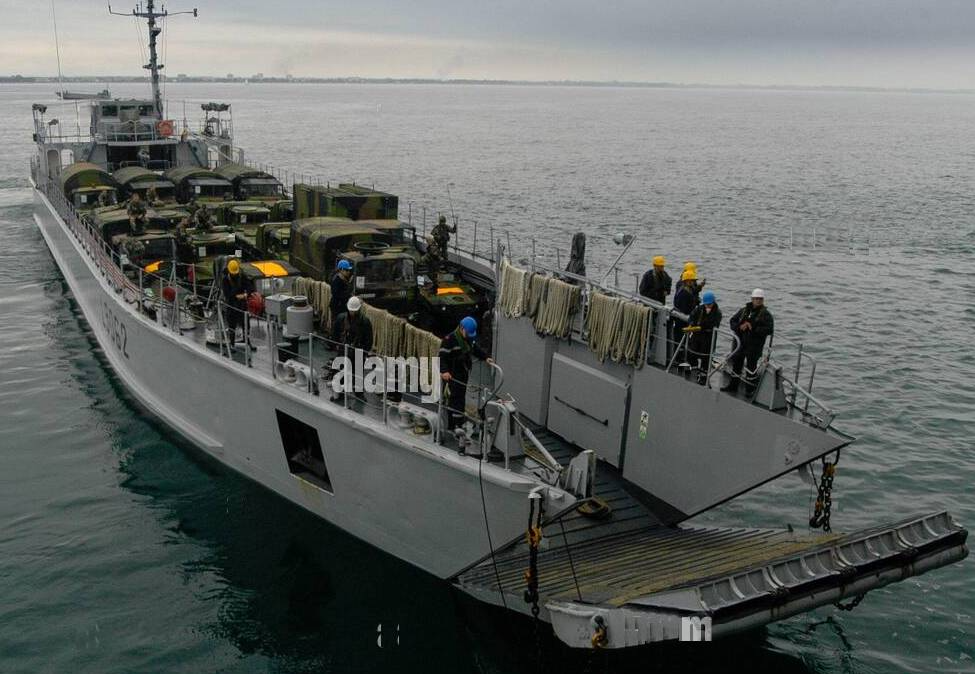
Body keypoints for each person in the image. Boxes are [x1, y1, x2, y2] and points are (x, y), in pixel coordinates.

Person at [439, 316, 493, 432]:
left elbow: (475, 349)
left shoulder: (468, 338)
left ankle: (458, 422)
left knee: (461, 397)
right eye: (468, 333)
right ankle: (454, 425)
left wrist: (485, 357)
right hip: (452, 375)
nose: (469, 335)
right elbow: (442, 358)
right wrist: (444, 371)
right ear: (461, 328)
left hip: (463, 372)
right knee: (454, 399)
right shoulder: (449, 340)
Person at [725, 288, 775, 395]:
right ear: (752, 299)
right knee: (736, 365)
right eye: (756, 299)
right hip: (740, 344)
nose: (758, 301)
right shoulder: (744, 311)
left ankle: (750, 389)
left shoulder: (765, 315)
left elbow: (769, 329)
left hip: (754, 346)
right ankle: (733, 386)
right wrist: (740, 327)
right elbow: (732, 321)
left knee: (751, 368)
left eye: (760, 299)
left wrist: (753, 328)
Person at [685, 290, 722, 383]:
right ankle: (691, 369)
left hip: (708, 337)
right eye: (706, 304)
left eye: (709, 304)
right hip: (697, 336)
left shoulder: (717, 313)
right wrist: (691, 324)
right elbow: (692, 316)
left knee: (706, 358)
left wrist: (701, 326)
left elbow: (714, 324)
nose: (708, 306)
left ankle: (703, 377)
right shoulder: (700, 309)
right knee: (692, 352)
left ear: (713, 302)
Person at [220, 258, 254, 350]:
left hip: (242, 304)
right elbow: (227, 294)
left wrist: (246, 294)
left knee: (246, 324)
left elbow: (250, 287)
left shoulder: (241, 276)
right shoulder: (225, 280)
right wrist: (236, 295)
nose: (235, 274)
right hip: (231, 305)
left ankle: (247, 341)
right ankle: (232, 344)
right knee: (232, 325)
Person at [671, 268, 700, 361]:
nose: (693, 282)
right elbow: (684, 309)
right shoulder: (684, 293)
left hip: (683, 319)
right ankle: (678, 358)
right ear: (687, 281)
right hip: (681, 320)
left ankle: (680, 355)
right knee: (680, 338)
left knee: (682, 339)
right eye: (692, 280)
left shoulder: (686, 290)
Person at [329, 259, 354, 342]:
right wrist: (349, 295)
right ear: (341, 270)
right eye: (347, 270)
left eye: (349, 270)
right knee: (336, 324)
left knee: (342, 324)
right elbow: (337, 294)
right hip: (337, 306)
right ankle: (334, 341)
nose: (349, 272)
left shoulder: (344, 279)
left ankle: (338, 340)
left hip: (341, 306)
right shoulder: (337, 280)